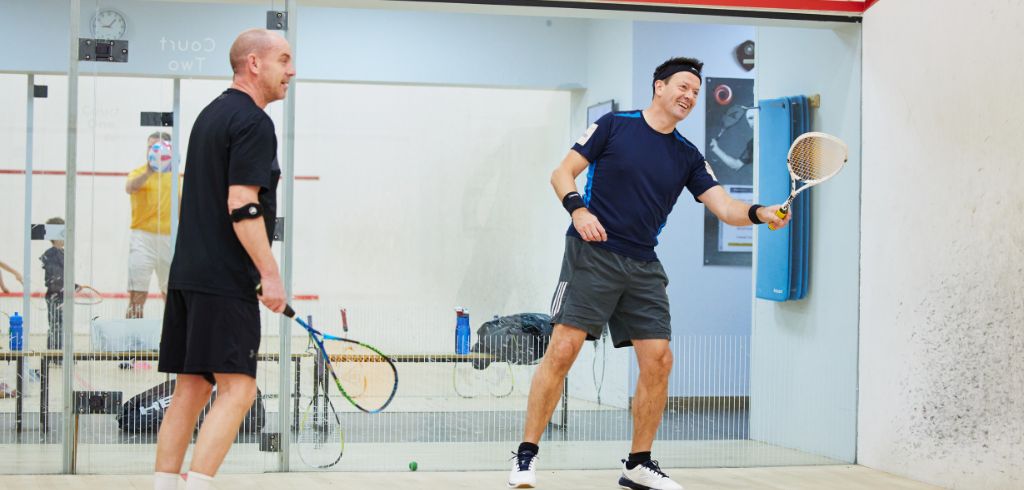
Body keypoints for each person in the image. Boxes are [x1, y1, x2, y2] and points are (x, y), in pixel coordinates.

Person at [507, 57, 790, 490]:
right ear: (659, 86)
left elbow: (726, 209)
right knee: (564, 348)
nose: (690, 96)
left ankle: (638, 464)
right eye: (683, 87)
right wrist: (577, 209)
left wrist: (760, 212)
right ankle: (525, 457)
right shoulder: (614, 126)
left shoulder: (688, 156)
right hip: (593, 253)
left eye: (695, 92)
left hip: (643, 264)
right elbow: (561, 173)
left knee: (659, 360)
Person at [153, 28, 292, 490]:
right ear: (254, 64)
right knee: (239, 388)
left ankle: (164, 485)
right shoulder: (254, 122)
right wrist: (269, 275)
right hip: (222, 282)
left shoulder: (211, 115)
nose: (291, 71)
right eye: (284, 60)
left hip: (188, 276)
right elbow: (242, 204)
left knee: (192, 388)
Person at [125, 131, 175, 319]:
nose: (152, 152)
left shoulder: (177, 177)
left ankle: (174, 342)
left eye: (159, 148)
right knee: (137, 296)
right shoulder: (139, 173)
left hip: (169, 240)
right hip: (142, 240)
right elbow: (130, 188)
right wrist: (150, 170)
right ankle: (131, 342)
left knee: (171, 295)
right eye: (150, 147)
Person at [709, 106, 755, 171]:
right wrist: (716, 149)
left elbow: (736, 166)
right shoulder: (752, 144)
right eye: (750, 118)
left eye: (756, 116)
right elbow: (736, 165)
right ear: (749, 125)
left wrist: (716, 149)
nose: (754, 120)